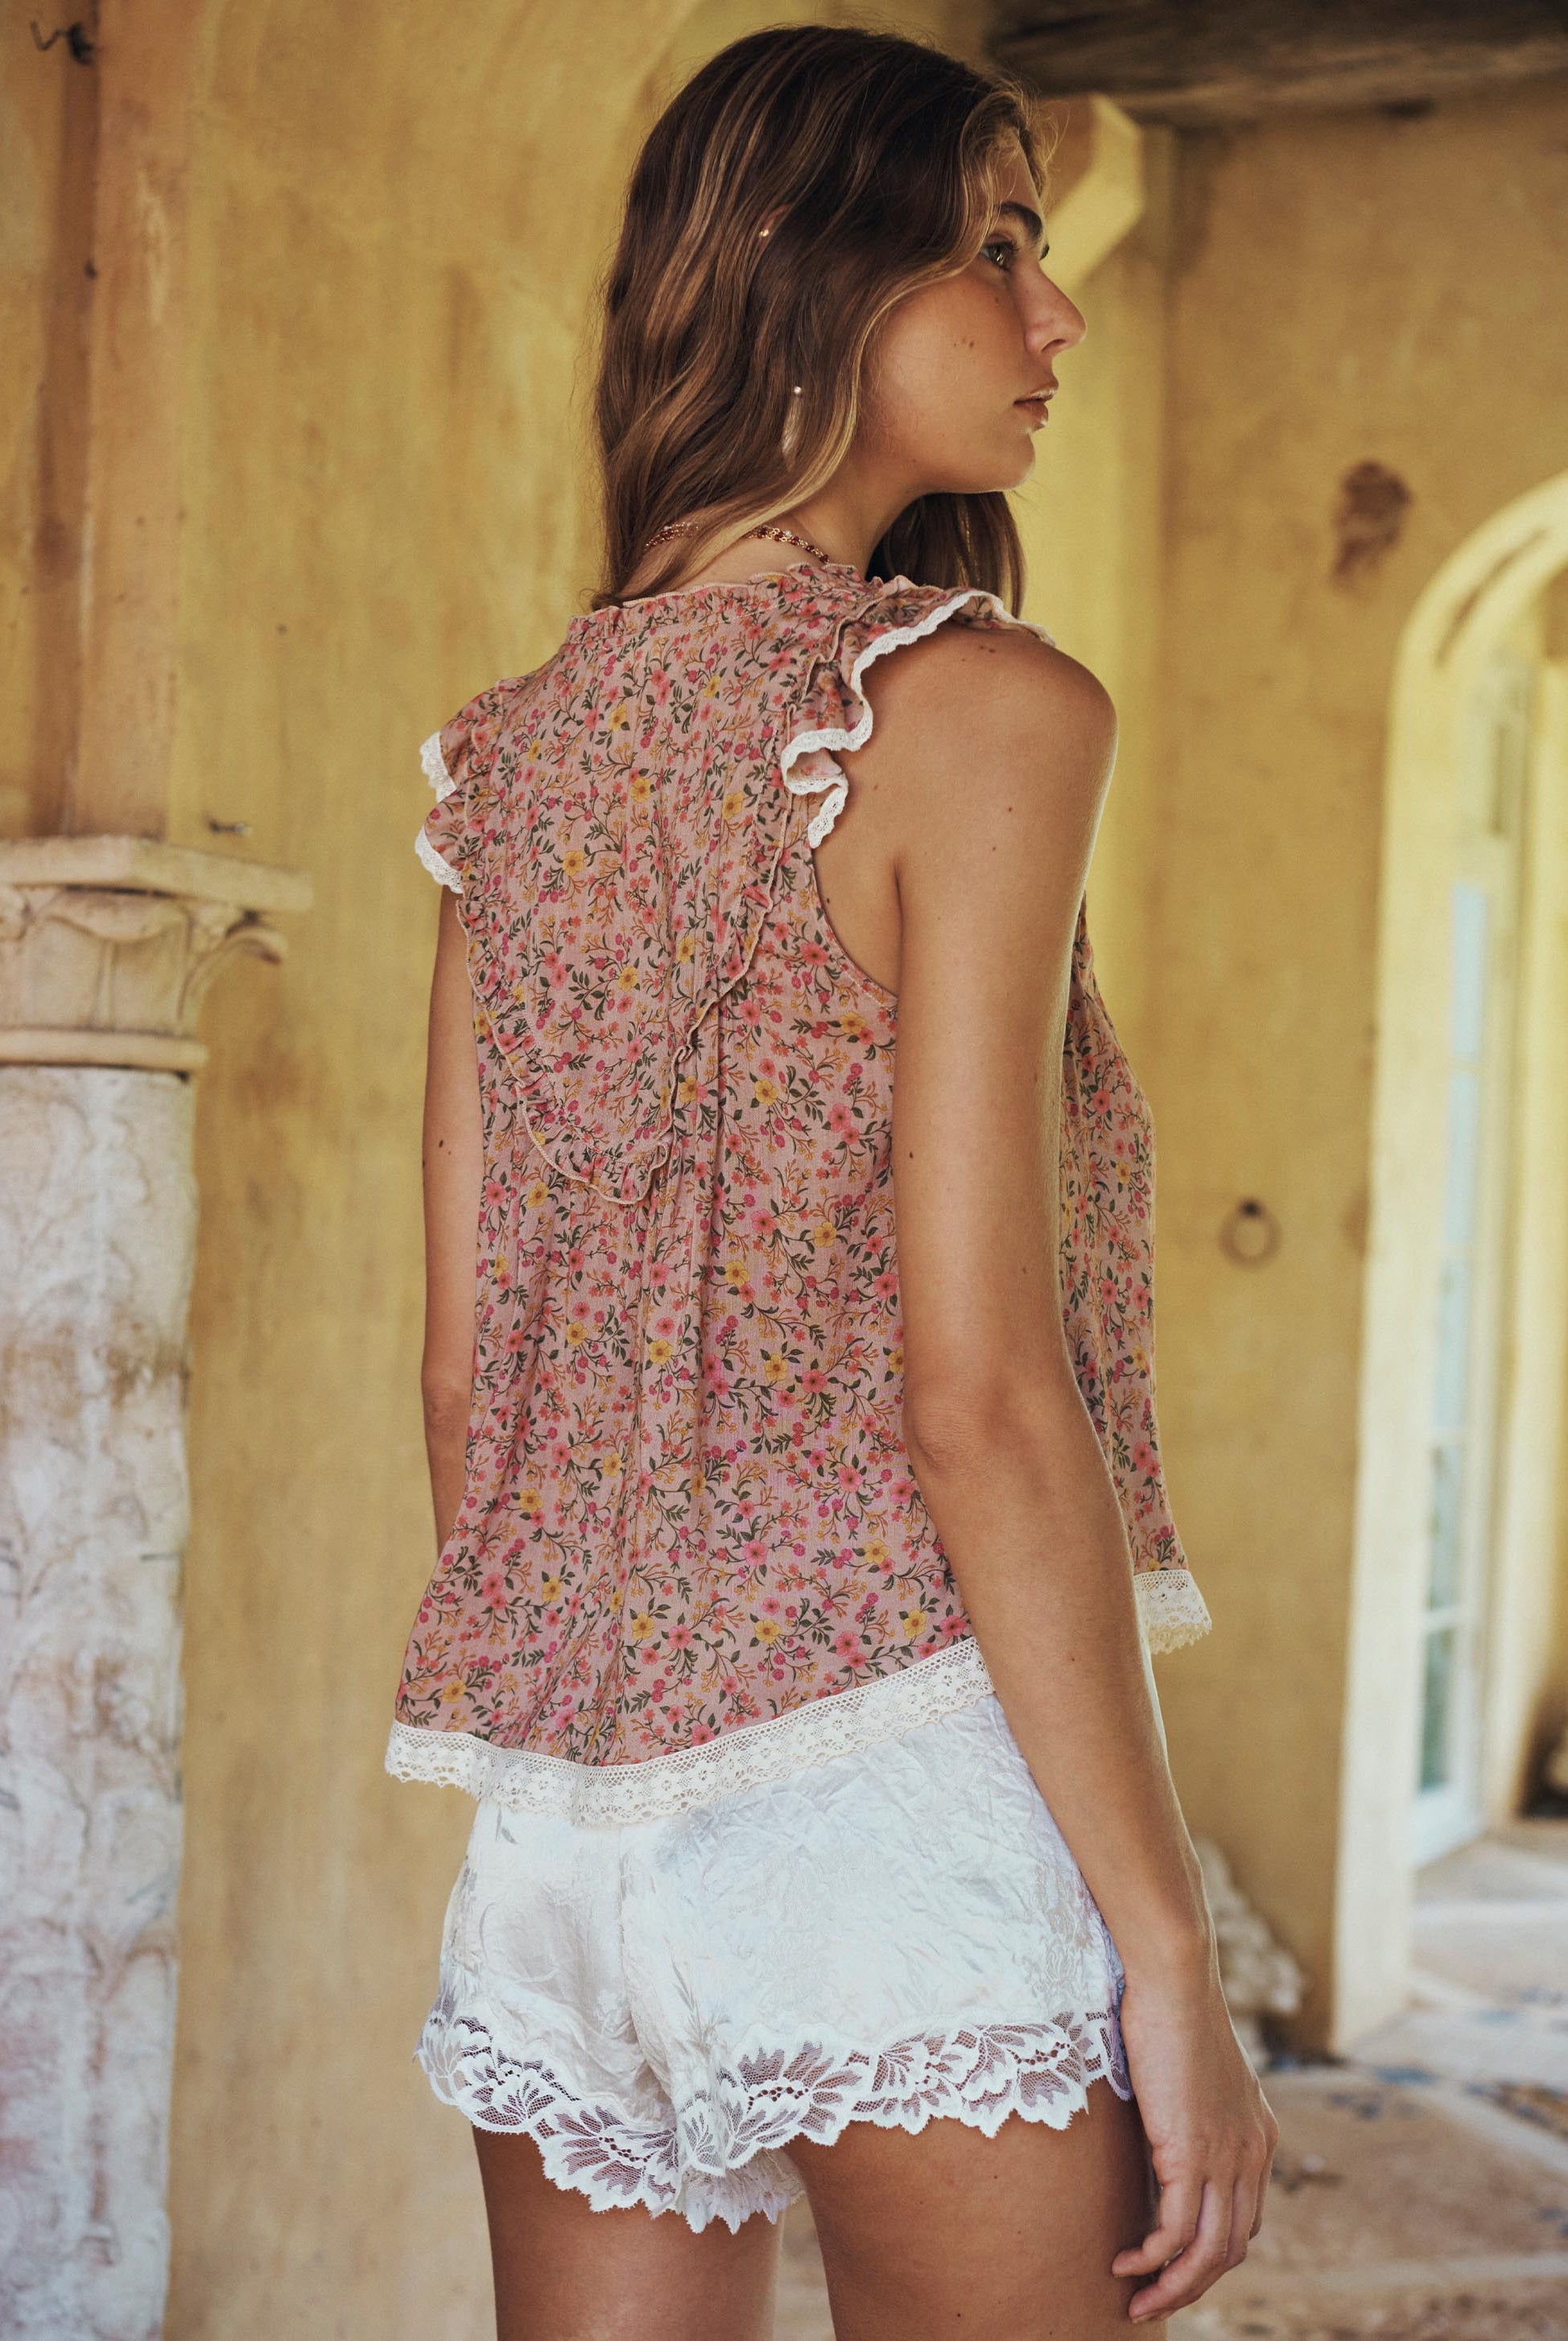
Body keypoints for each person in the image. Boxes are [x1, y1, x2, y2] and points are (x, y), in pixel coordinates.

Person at [391, 23, 1278, 2339]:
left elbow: (468, 1380)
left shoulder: (514, 760)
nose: (1053, 313)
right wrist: (1166, 1949)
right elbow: (980, 1393)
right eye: (995, 247)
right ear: (808, 264)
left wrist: (627, 1747)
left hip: (568, 1829)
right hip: (897, 1789)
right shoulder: (979, 713)